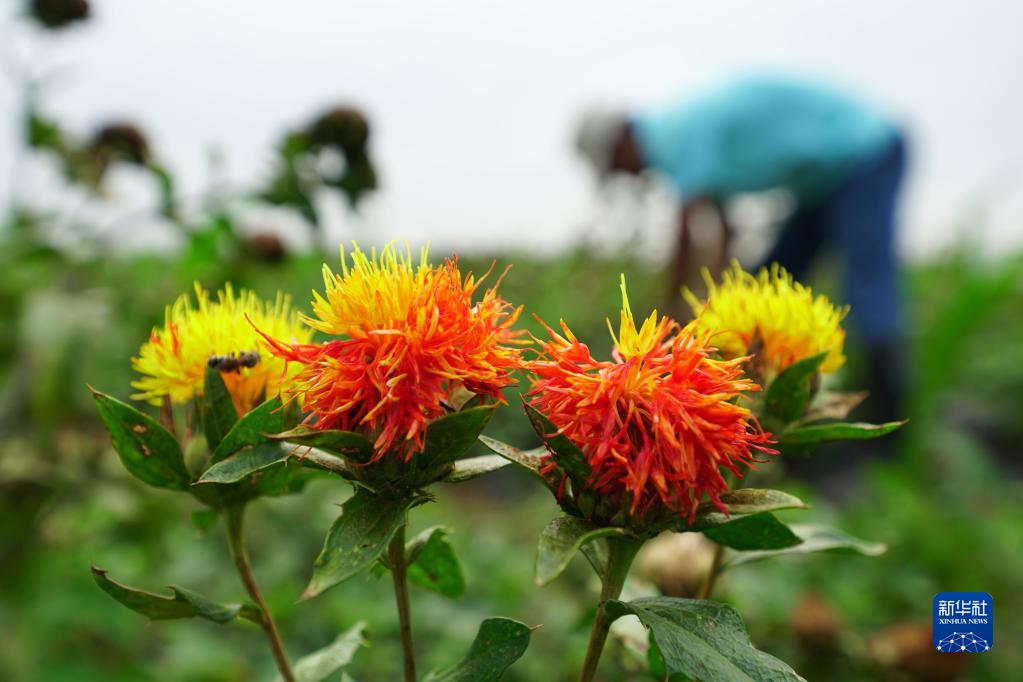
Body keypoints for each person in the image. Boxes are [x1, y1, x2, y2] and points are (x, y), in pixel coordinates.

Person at [575, 74, 908, 422]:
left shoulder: (675, 137)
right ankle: (782, 407)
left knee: (867, 286)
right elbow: (723, 228)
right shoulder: (679, 132)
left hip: (865, 151)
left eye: (615, 166)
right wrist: (717, 307)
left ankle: (887, 424)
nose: (625, 174)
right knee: (768, 283)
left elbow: (687, 235)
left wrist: (668, 318)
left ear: (620, 141)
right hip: (821, 180)